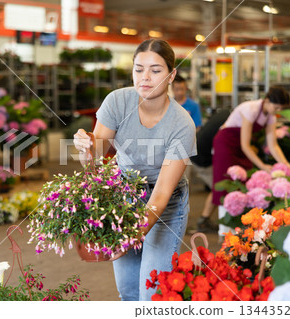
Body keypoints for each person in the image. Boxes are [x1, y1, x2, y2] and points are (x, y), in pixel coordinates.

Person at [73, 39, 197, 301]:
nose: (145, 78)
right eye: (139, 69)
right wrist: (85, 148)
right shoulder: (117, 102)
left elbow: (161, 195)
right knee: (128, 291)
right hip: (125, 197)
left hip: (166, 206)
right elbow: (94, 162)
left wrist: (128, 239)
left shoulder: (182, 124)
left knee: (151, 293)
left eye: (156, 70)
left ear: (171, 75)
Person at [212, 87, 290, 236]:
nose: (278, 110)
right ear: (267, 101)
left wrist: (285, 164)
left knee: (244, 184)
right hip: (226, 142)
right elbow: (246, 145)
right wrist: (263, 166)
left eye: (281, 108)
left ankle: (239, 229)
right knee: (225, 183)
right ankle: (223, 232)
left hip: (242, 146)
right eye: (277, 106)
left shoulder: (270, 116)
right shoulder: (252, 109)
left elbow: (273, 145)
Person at [189, 109, 230, 233]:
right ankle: (203, 221)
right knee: (218, 187)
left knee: (218, 187)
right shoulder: (230, 122)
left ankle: (204, 220)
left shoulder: (225, 114)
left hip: (196, 150)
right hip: (201, 157)